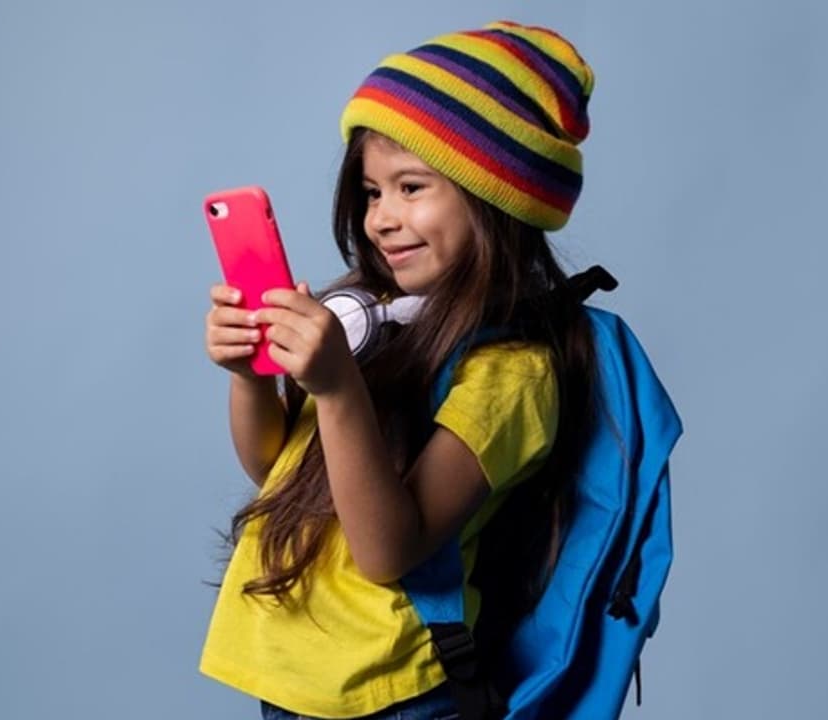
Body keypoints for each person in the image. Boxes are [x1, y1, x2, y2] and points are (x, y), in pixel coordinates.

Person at [201, 19, 599, 720]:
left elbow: (389, 550)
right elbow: (275, 467)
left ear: (497, 197)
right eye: (371, 192)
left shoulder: (511, 374)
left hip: (391, 694)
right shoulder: (373, 316)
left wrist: (337, 389)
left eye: (411, 187)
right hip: (296, 681)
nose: (381, 218)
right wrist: (249, 375)